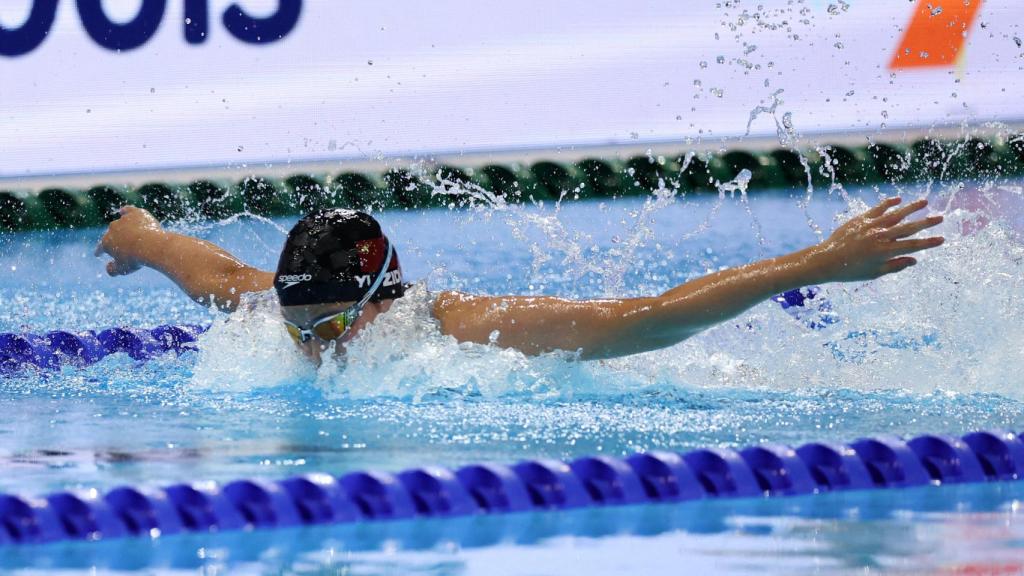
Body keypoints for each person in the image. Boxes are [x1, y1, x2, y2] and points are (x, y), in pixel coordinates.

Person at [95, 197, 944, 362]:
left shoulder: (459, 331)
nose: (314, 347)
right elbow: (201, 264)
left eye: (329, 328)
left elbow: (641, 319)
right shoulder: (273, 308)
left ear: (378, 298)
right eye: (300, 328)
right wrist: (137, 234)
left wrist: (823, 263)